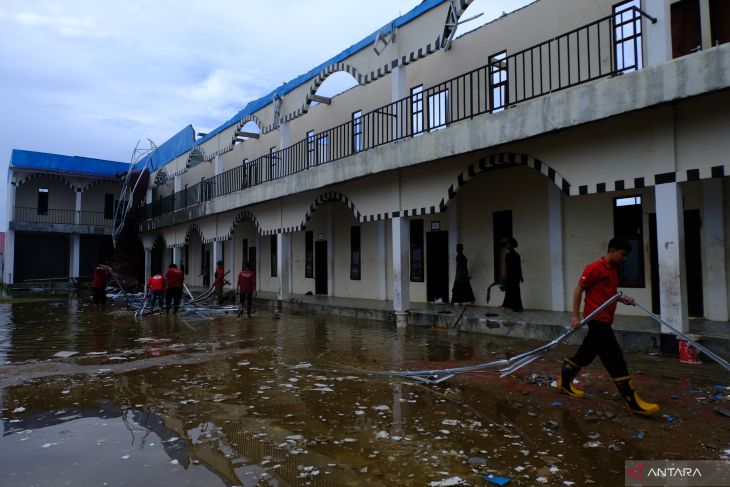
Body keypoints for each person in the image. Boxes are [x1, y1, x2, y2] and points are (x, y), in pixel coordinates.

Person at [557, 237, 659, 415]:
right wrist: (575, 316)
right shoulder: (594, 268)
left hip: (606, 319)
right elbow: (578, 289)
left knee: (586, 354)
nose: (625, 259)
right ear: (612, 250)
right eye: (623, 255)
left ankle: (564, 381)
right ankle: (632, 400)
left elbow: (609, 294)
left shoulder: (614, 270)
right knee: (615, 358)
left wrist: (622, 299)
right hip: (596, 320)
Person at [501, 237, 524, 311]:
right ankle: (516, 306)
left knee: (511, 291)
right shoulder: (517, 255)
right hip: (515, 276)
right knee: (515, 291)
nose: (507, 246)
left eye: (508, 244)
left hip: (511, 276)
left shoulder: (508, 255)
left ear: (511, 245)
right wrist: (521, 276)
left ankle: (511, 306)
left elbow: (506, 266)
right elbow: (519, 267)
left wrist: (504, 276)